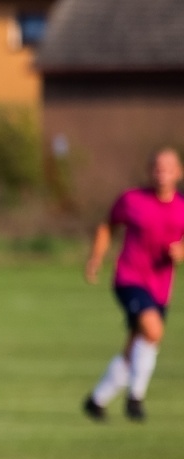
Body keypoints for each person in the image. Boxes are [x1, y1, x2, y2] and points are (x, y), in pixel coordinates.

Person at [83, 147, 184, 423]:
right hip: (129, 278)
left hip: (161, 287)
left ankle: (96, 401)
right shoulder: (132, 200)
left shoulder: (182, 208)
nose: (161, 173)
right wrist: (96, 257)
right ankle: (135, 398)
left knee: (136, 345)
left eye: (167, 168)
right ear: (150, 171)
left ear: (178, 173)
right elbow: (107, 226)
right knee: (153, 331)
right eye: (157, 168)